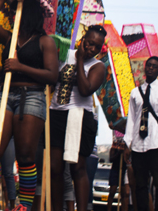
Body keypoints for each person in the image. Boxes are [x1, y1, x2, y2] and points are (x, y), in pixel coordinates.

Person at [0, 0, 58, 211]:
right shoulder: (10, 38)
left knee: (25, 156)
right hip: (4, 93)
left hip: (31, 96)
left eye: (14, 13)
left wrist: (20, 67)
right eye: (11, 13)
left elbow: (52, 76)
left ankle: (24, 206)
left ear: (28, 14)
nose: (11, 16)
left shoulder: (45, 41)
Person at [49, 25, 108, 211]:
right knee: (55, 168)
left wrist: (81, 60)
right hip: (56, 113)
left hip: (80, 117)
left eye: (97, 47)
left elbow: (85, 90)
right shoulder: (64, 54)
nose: (92, 49)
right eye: (90, 43)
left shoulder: (98, 66)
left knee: (77, 168)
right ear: (83, 38)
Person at [123, 56, 158, 211]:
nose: (151, 68)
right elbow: (132, 120)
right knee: (140, 185)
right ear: (145, 68)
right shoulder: (135, 93)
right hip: (139, 147)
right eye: (149, 65)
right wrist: (128, 144)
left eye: (155, 66)